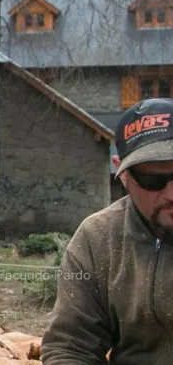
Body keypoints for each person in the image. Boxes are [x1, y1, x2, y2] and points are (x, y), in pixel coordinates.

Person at [42, 97, 173, 364]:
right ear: (122, 174)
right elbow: (71, 347)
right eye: (153, 179)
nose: (171, 193)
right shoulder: (98, 237)